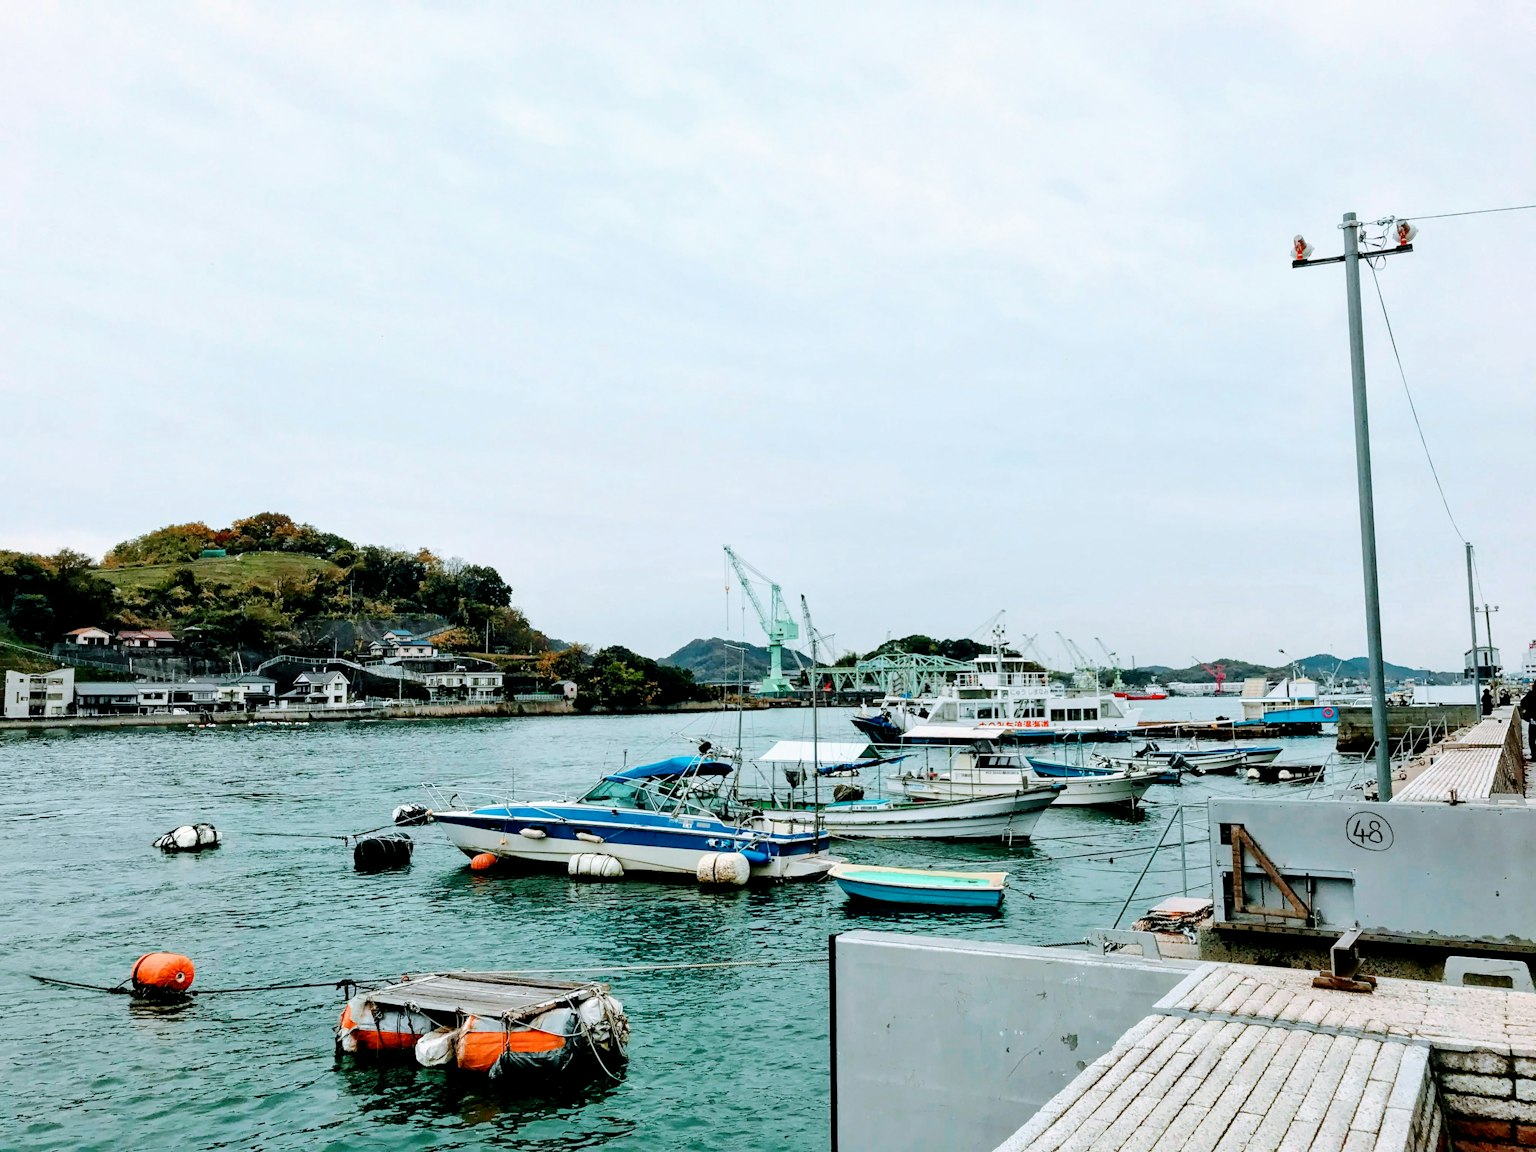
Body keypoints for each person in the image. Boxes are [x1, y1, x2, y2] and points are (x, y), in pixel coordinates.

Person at [1521, 682, 1536, 761]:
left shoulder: (1531, 694)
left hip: (1533, 720)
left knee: (1532, 739)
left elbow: (1522, 703)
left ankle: (1534, 755)